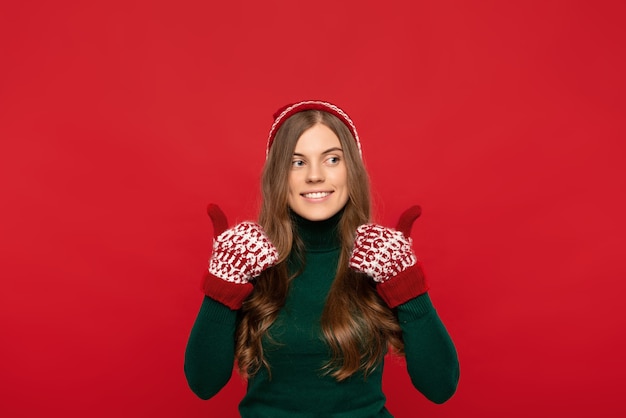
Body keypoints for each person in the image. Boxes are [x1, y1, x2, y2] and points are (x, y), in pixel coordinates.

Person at [184, 100, 460, 417]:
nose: (315, 175)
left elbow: (441, 387)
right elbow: (203, 385)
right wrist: (224, 281)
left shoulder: (379, 259)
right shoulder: (249, 259)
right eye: (297, 162)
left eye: (331, 159)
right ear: (278, 176)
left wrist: (407, 284)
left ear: (351, 170)